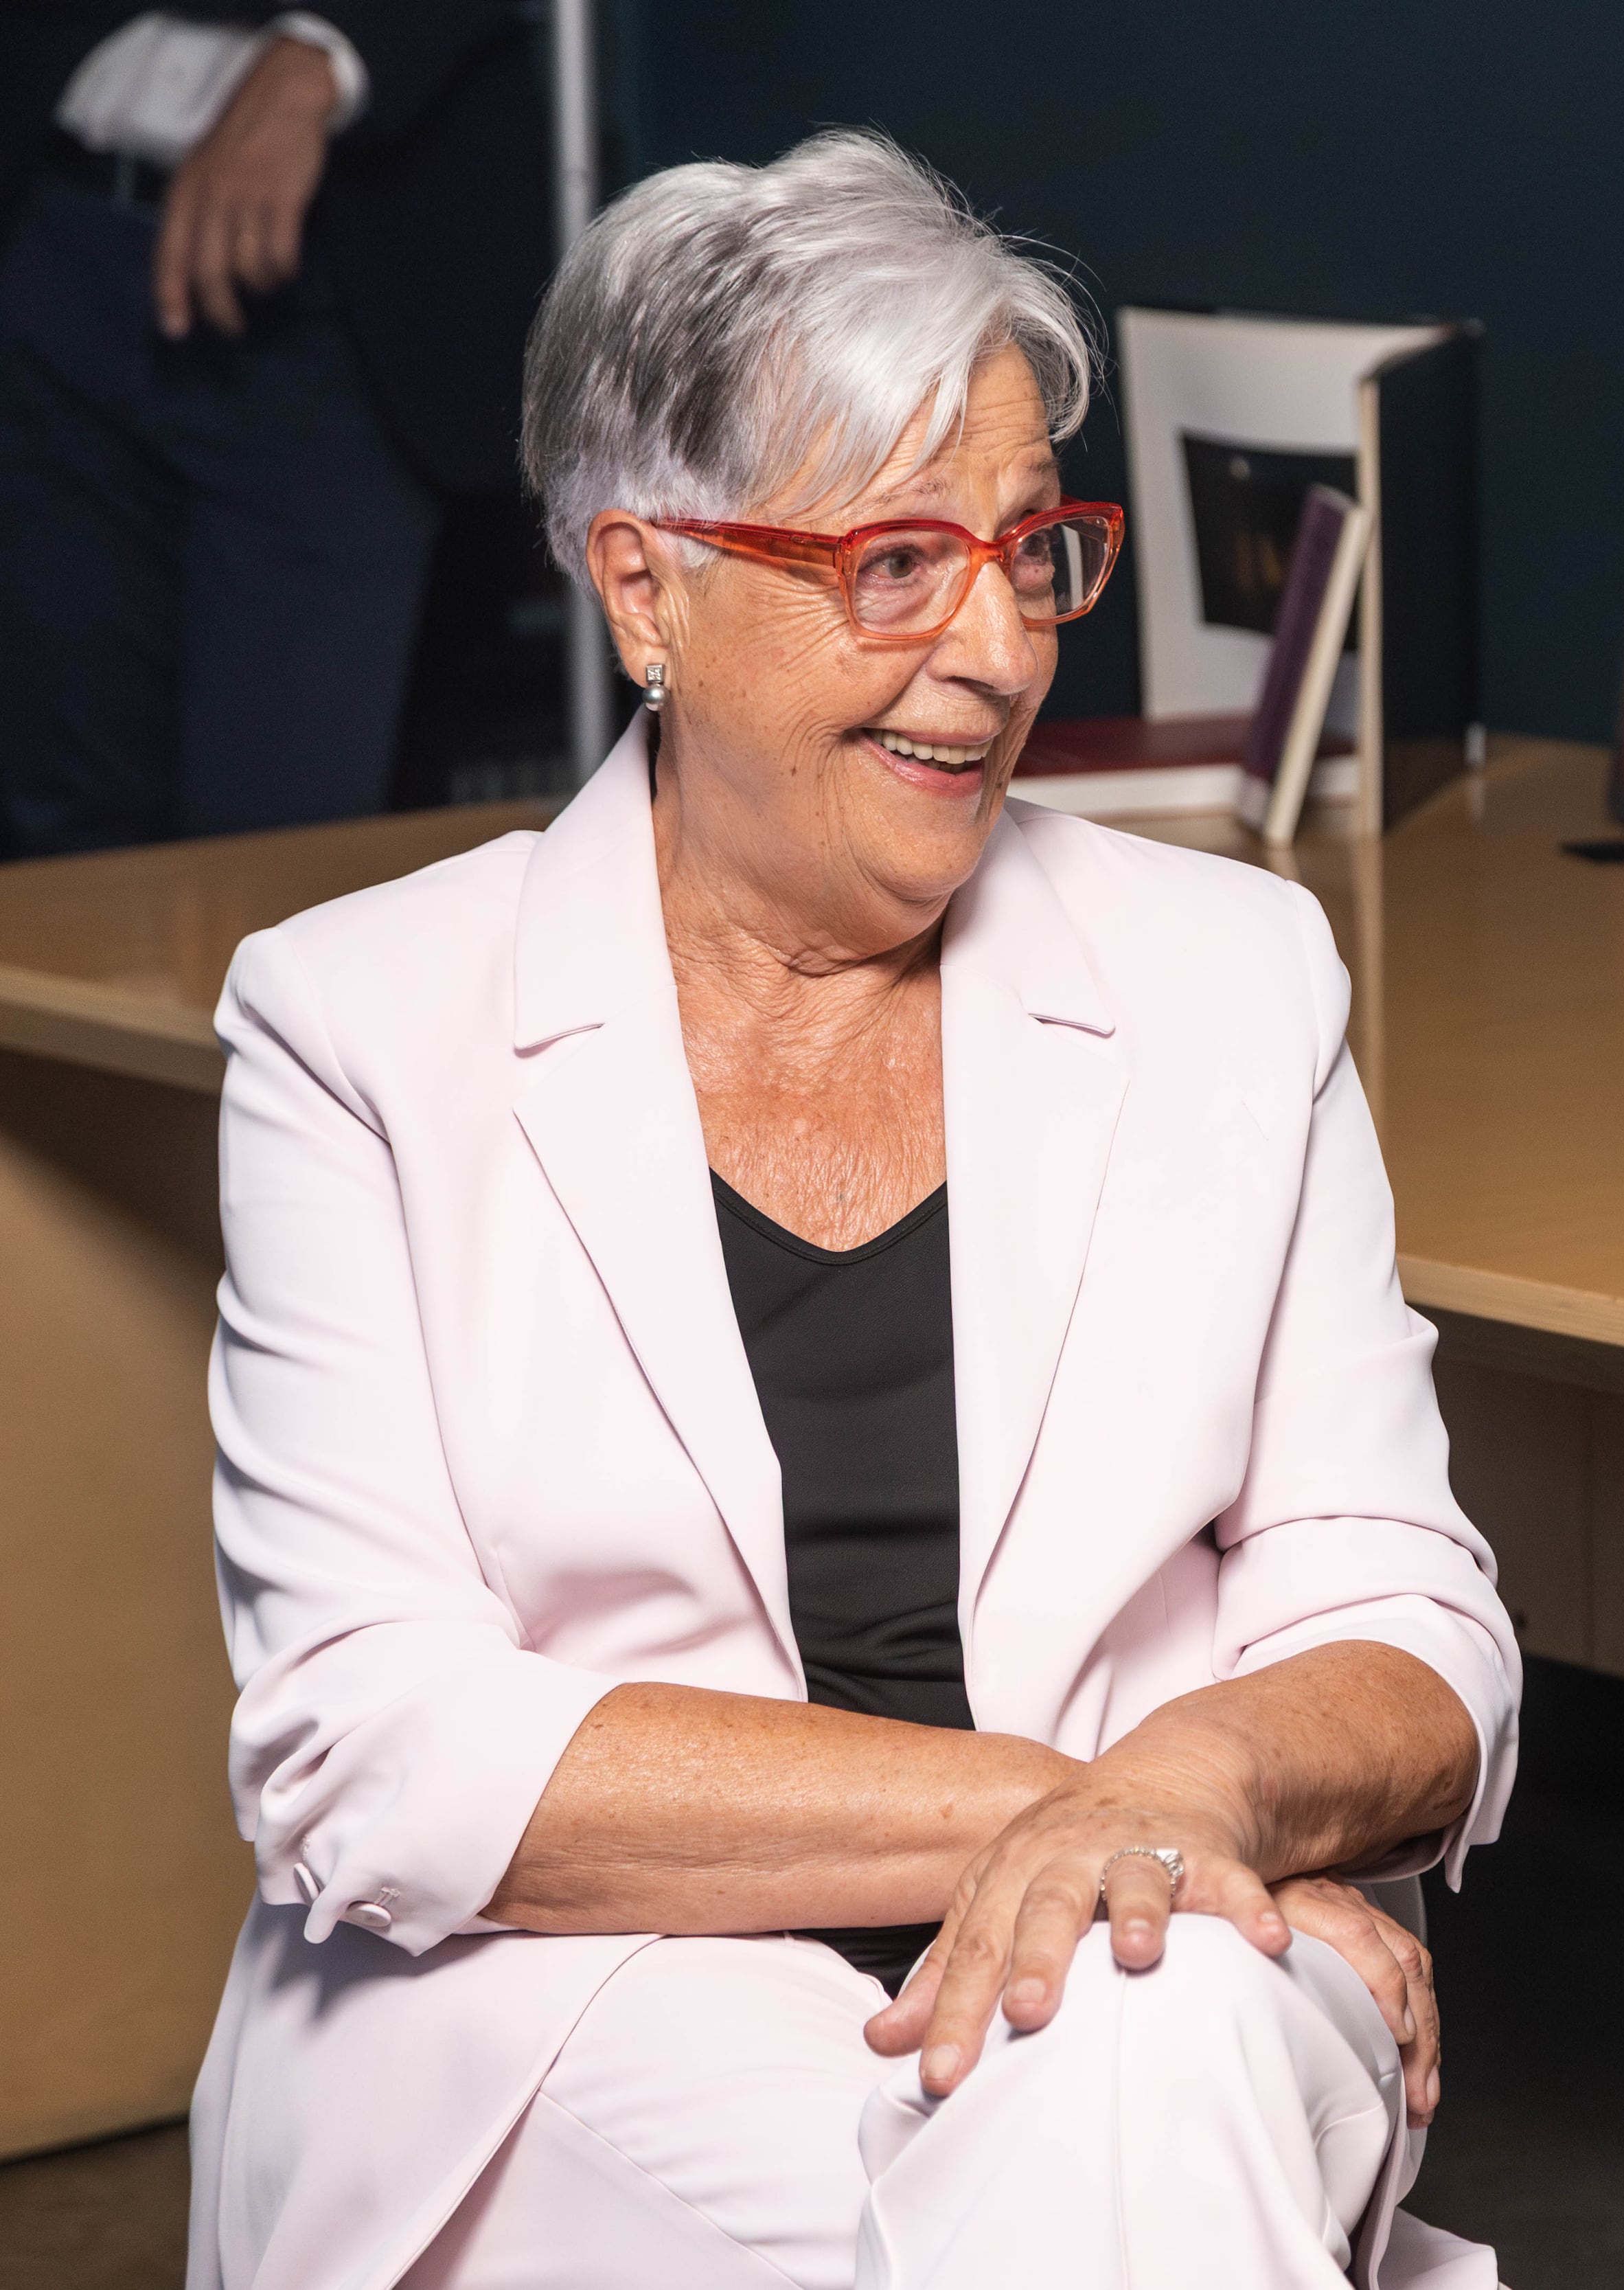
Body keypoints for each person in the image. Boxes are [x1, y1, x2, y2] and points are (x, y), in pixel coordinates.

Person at [187, 132, 1514, 2290]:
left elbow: (1407, 1612)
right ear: (645, 584)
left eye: (1027, 552)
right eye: (896, 562)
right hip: (575, 1999)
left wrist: (1171, 1817)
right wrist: (1100, 1806)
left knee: (1137, 2056)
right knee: (1118, 2092)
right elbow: (377, 1746)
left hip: (1147, 1954)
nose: (994, 651)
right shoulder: (361, 1030)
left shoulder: (1228, 976)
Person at [0, 3, 545, 854]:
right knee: (60, 844)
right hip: (56, 227)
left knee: (284, 858)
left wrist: (322, 55)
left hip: (344, 263)